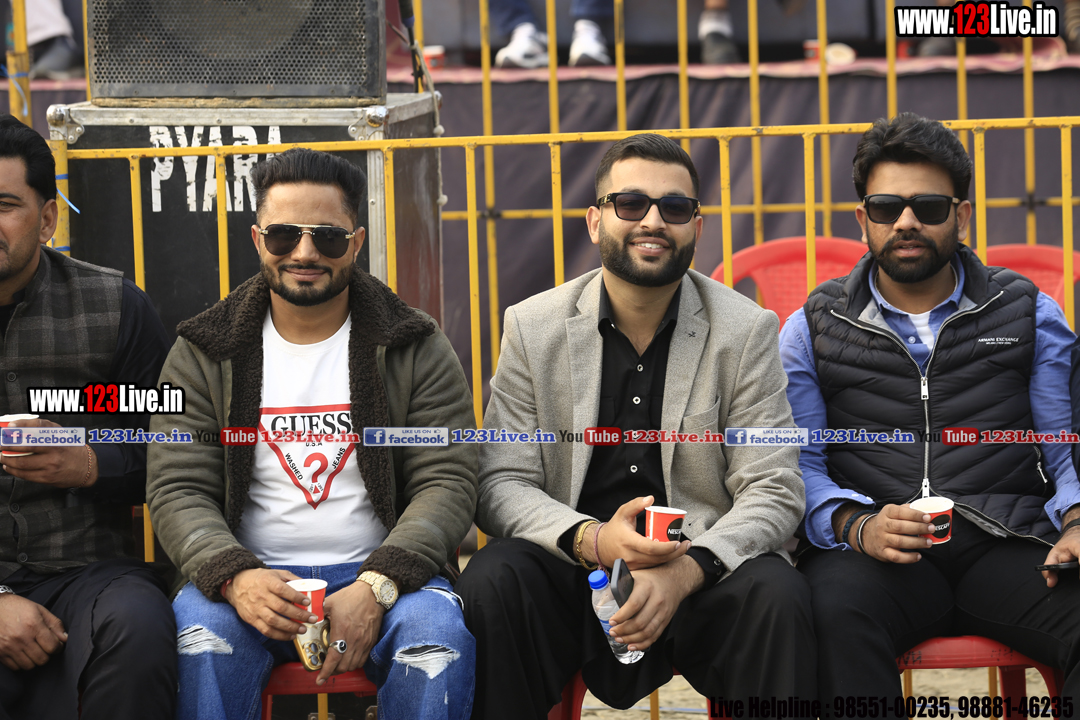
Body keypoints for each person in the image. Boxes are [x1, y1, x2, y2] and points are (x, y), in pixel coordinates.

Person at [457, 133, 816, 720]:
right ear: (595, 221)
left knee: (778, 595)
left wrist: (687, 571)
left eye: (674, 207)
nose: (653, 221)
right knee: (493, 580)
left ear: (696, 225)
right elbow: (501, 481)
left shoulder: (746, 330)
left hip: (701, 572)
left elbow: (774, 487)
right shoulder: (532, 326)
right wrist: (594, 540)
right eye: (630, 204)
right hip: (574, 571)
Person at [146, 148, 478, 720]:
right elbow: (177, 486)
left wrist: (378, 584)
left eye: (327, 237)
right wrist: (235, 576)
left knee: (435, 641)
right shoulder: (203, 350)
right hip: (248, 577)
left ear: (356, 242)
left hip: (388, 576)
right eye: (283, 236)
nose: (304, 253)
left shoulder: (413, 343)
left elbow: (447, 479)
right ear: (257, 240)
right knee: (201, 641)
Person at [781, 112, 1080, 703]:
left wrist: (1075, 521)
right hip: (872, 548)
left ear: (961, 216)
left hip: (1006, 539)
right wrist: (854, 525)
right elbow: (799, 463)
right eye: (886, 207)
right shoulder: (813, 326)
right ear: (863, 219)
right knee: (831, 615)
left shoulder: (1028, 311)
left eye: (930, 207)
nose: (906, 222)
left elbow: (1063, 445)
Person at [0, 114, 175, 719]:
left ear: (48, 218)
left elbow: (173, 443)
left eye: (5, 206)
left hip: (89, 571)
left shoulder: (114, 306)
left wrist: (89, 463)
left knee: (139, 628)